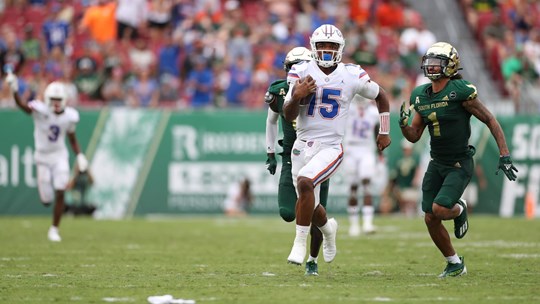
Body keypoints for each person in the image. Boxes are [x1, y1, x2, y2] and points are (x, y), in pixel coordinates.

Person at [399, 42, 518, 278]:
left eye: (437, 63)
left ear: (450, 66)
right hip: (436, 162)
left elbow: (490, 120)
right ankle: (454, 263)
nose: (431, 67)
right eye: (429, 62)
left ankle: (460, 207)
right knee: (430, 218)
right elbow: (414, 136)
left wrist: (504, 154)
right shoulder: (420, 96)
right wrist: (403, 125)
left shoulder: (461, 91)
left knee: (440, 208)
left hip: (459, 162)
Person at [282, 24, 392, 267]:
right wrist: (297, 95)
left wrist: (384, 130)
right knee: (311, 204)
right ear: (314, 47)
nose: (327, 50)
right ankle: (329, 229)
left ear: (340, 48)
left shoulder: (351, 74)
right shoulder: (301, 70)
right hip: (301, 145)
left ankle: (299, 243)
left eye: (332, 46)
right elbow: (288, 115)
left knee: (305, 181)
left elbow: (381, 95)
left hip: (331, 146)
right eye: (322, 45)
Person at [265, 46, 331, 276]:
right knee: (287, 211)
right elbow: (272, 120)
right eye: (293, 67)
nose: (297, 71)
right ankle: (327, 228)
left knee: (313, 212)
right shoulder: (281, 90)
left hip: (318, 154)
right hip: (292, 156)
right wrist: (270, 151)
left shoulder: (325, 88)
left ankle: (312, 259)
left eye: (302, 66)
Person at [6, 72, 88, 242]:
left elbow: (72, 138)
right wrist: (14, 90)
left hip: (59, 156)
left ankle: (54, 229)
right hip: (42, 157)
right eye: (54, 99)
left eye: (59, 100)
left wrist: (79, 155)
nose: (56, 103)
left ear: (65, 99)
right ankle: (52, 218)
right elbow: (23, 106)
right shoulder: (40, 110)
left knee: (60, 191)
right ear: (48, 99)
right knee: (46, 200)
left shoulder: (70, 116)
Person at [342, 97, 381, 236]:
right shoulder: (348, 108)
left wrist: (380, 150)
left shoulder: (373, 112)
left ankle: (367, 223)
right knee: (353, 188)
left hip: (366, 149)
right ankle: (354, 224)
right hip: (350, 149)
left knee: (366, 184)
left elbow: (377, 130)